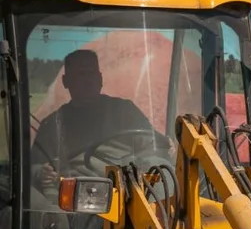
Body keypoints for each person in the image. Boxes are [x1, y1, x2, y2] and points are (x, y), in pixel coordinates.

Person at [31, 49, 157, 190]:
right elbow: (34, 165)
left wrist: (162, 146)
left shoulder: (124, 111)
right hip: (76, 197)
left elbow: (152, 145)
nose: (88, 80)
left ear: (100, 79)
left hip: (127, 190)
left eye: (91, 74)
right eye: (81, 75)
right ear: (66, 82)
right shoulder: (53, 124)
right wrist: (40, 173)